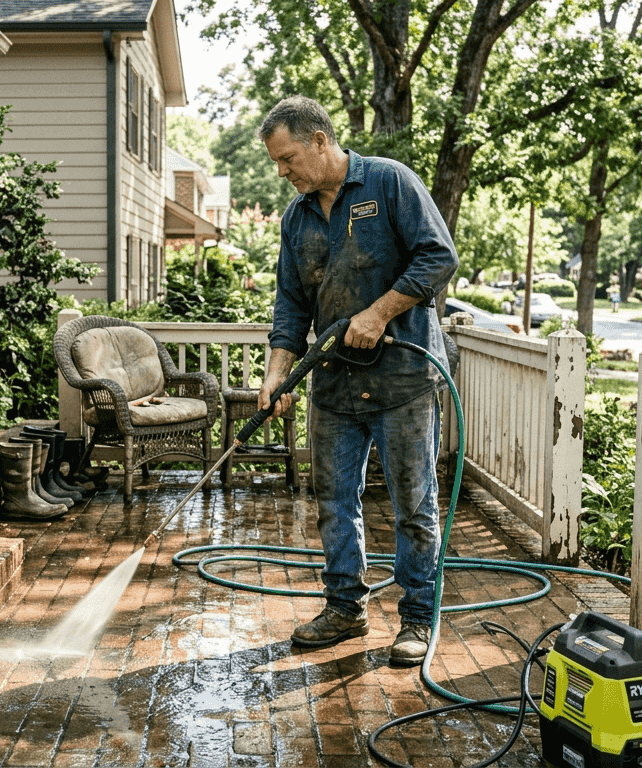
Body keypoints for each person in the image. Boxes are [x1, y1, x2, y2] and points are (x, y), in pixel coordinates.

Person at [256, 96, 459, 667]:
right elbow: (291, 307)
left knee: (413, 505)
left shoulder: (389, 183)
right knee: (334, 501)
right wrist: (277, 375)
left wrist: (379, 313)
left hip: (404, 378)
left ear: (320, 140)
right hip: (336, 384)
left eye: (288, 157)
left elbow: (438, 257)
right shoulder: (297, 218)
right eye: (277, 162)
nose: (283, 171)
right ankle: (345, 608)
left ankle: (419, 617)